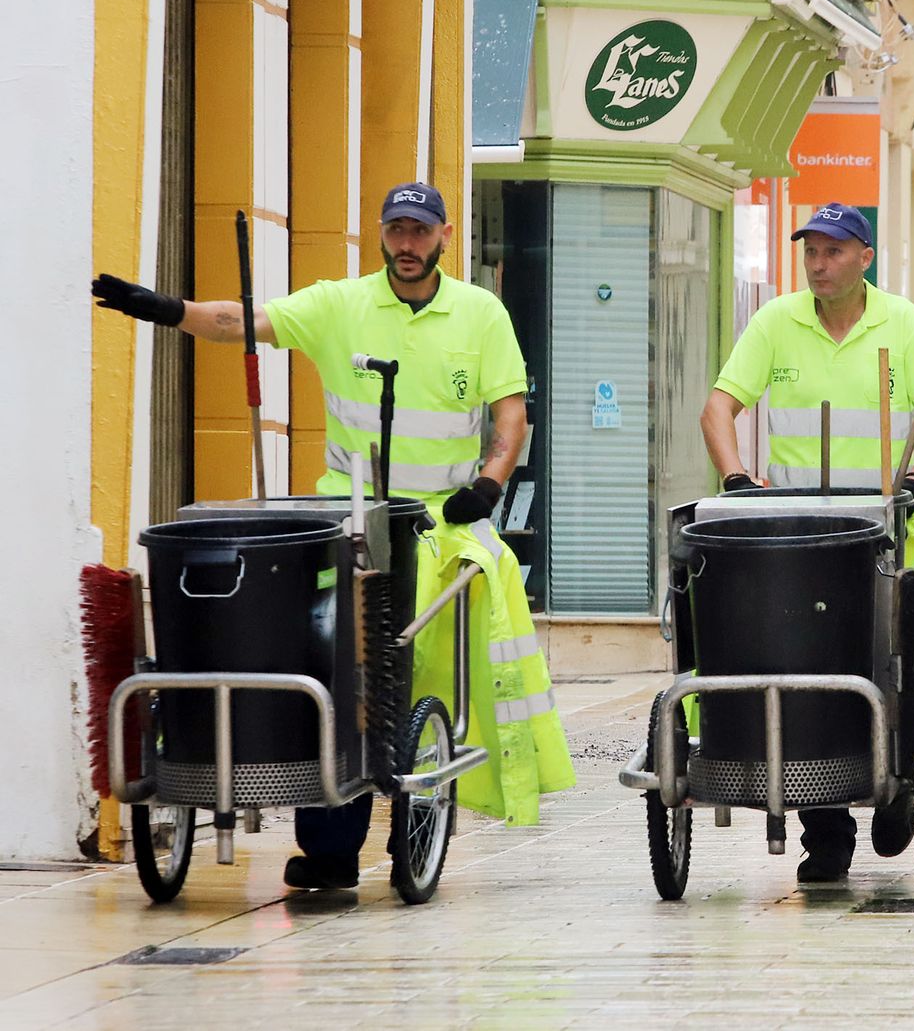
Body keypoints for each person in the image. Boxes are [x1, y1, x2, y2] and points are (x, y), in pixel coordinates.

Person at [92, 182, 575, 890]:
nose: (406, 244)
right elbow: (242, 320)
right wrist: (168, 310)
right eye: (396, 230)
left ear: (444, 237)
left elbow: (510, 413)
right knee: (334, 663)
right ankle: (330, 849)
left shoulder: (480, 313)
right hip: (343, 518)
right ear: (381, 233)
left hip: (439, 521)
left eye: (420, 231)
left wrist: (489, 485)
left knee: (413, 667)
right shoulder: (340, 304)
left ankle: (413, 806)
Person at [700, 202, 914, 884]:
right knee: (806, 655)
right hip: (804, 527)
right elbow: (718, 408)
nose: (818, 263)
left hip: (889, 517)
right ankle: (826, 828)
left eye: (833, 251)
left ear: (865, 257)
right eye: (811, 250)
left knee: (902, 652)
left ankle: (907, 780)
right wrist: (736, 478)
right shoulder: (776, 321)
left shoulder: (903, 323)